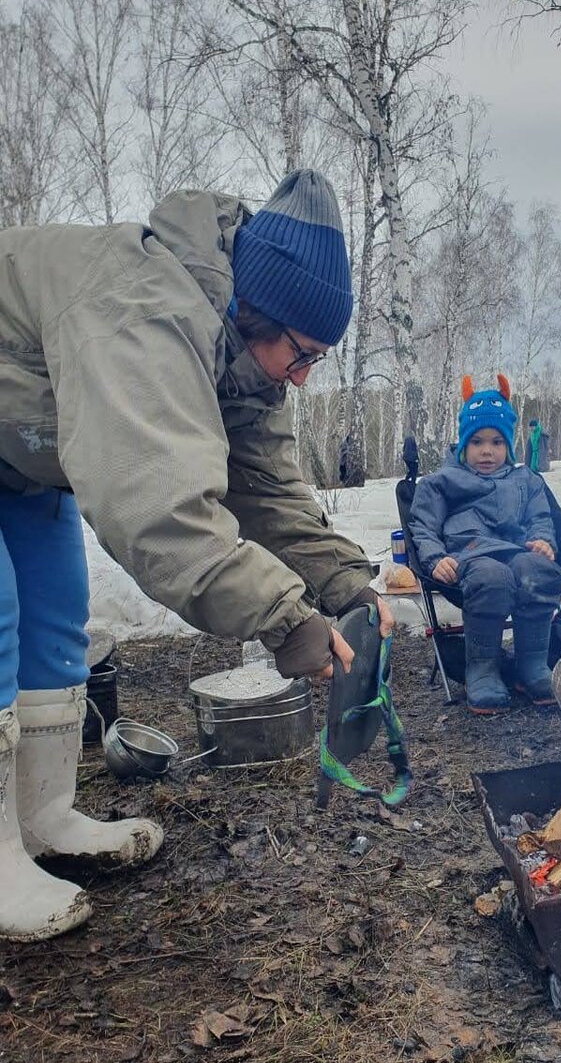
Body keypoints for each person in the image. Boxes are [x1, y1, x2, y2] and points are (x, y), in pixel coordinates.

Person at [0, 169, 393, 942]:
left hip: (21, 465)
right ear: (259, 312)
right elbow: (161, 515)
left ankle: (44, 821)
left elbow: (267, 493)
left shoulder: (244, 364)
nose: (304, 376)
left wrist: (345, 584)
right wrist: (287, 621)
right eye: (304, 353)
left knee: (53, 622)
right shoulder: (142, 307)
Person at [408, 375, 561, 714]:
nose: (487, 451)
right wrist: (434, 558)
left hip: (517, 550)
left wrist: (542, 541)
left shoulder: (526, 479)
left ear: (508, 445)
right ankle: (482, 669)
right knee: (492, 577)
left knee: (538, 571)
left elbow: (540, 517)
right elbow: (423, 526)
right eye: (477, 441)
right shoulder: (443, 481)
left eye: (496, 441)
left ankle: (532, 666)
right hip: (469, 555)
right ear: (463, 444)